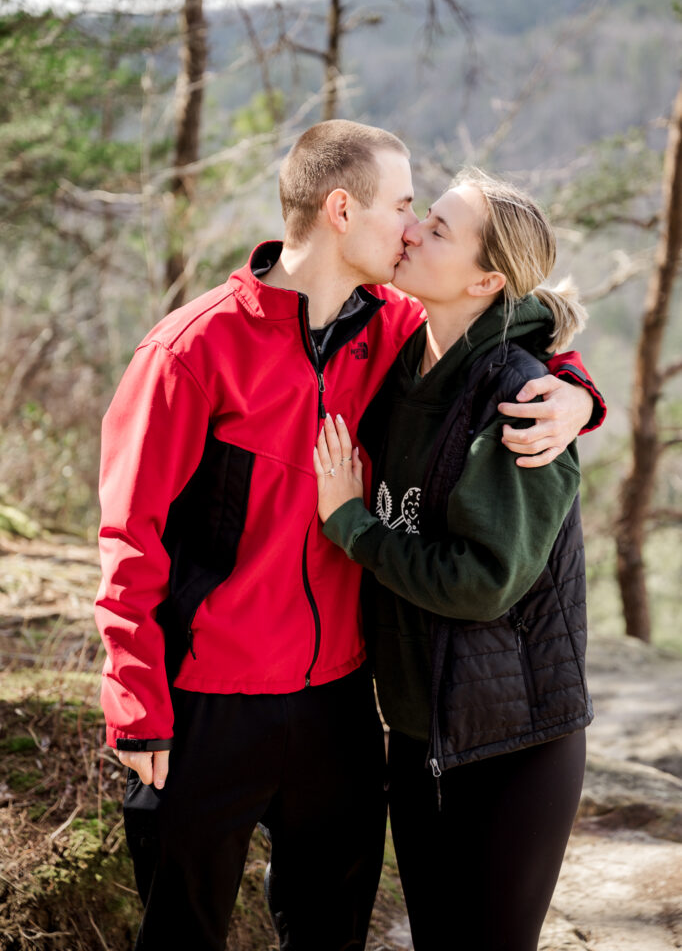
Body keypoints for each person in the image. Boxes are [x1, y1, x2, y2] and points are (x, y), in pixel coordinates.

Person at [95, 123, 604, 951]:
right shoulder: (192, 350)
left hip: (339, 709)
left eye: (424, 217)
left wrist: (576, 394)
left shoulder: (396, 331)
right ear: (341, 208)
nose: (411, 228)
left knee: (331, 935)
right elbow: (130, 539)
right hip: (207, 703)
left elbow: (508, 332)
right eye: (406, 207)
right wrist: (137, 702)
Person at [314, 169, 596, 951]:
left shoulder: (521, 403)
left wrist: (353, 526)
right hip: (418, 731)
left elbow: (481, 584)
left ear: (487, 278)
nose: (411, 232)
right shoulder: (405, 366)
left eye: (437, 229)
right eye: (421, 216)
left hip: (511, 742)